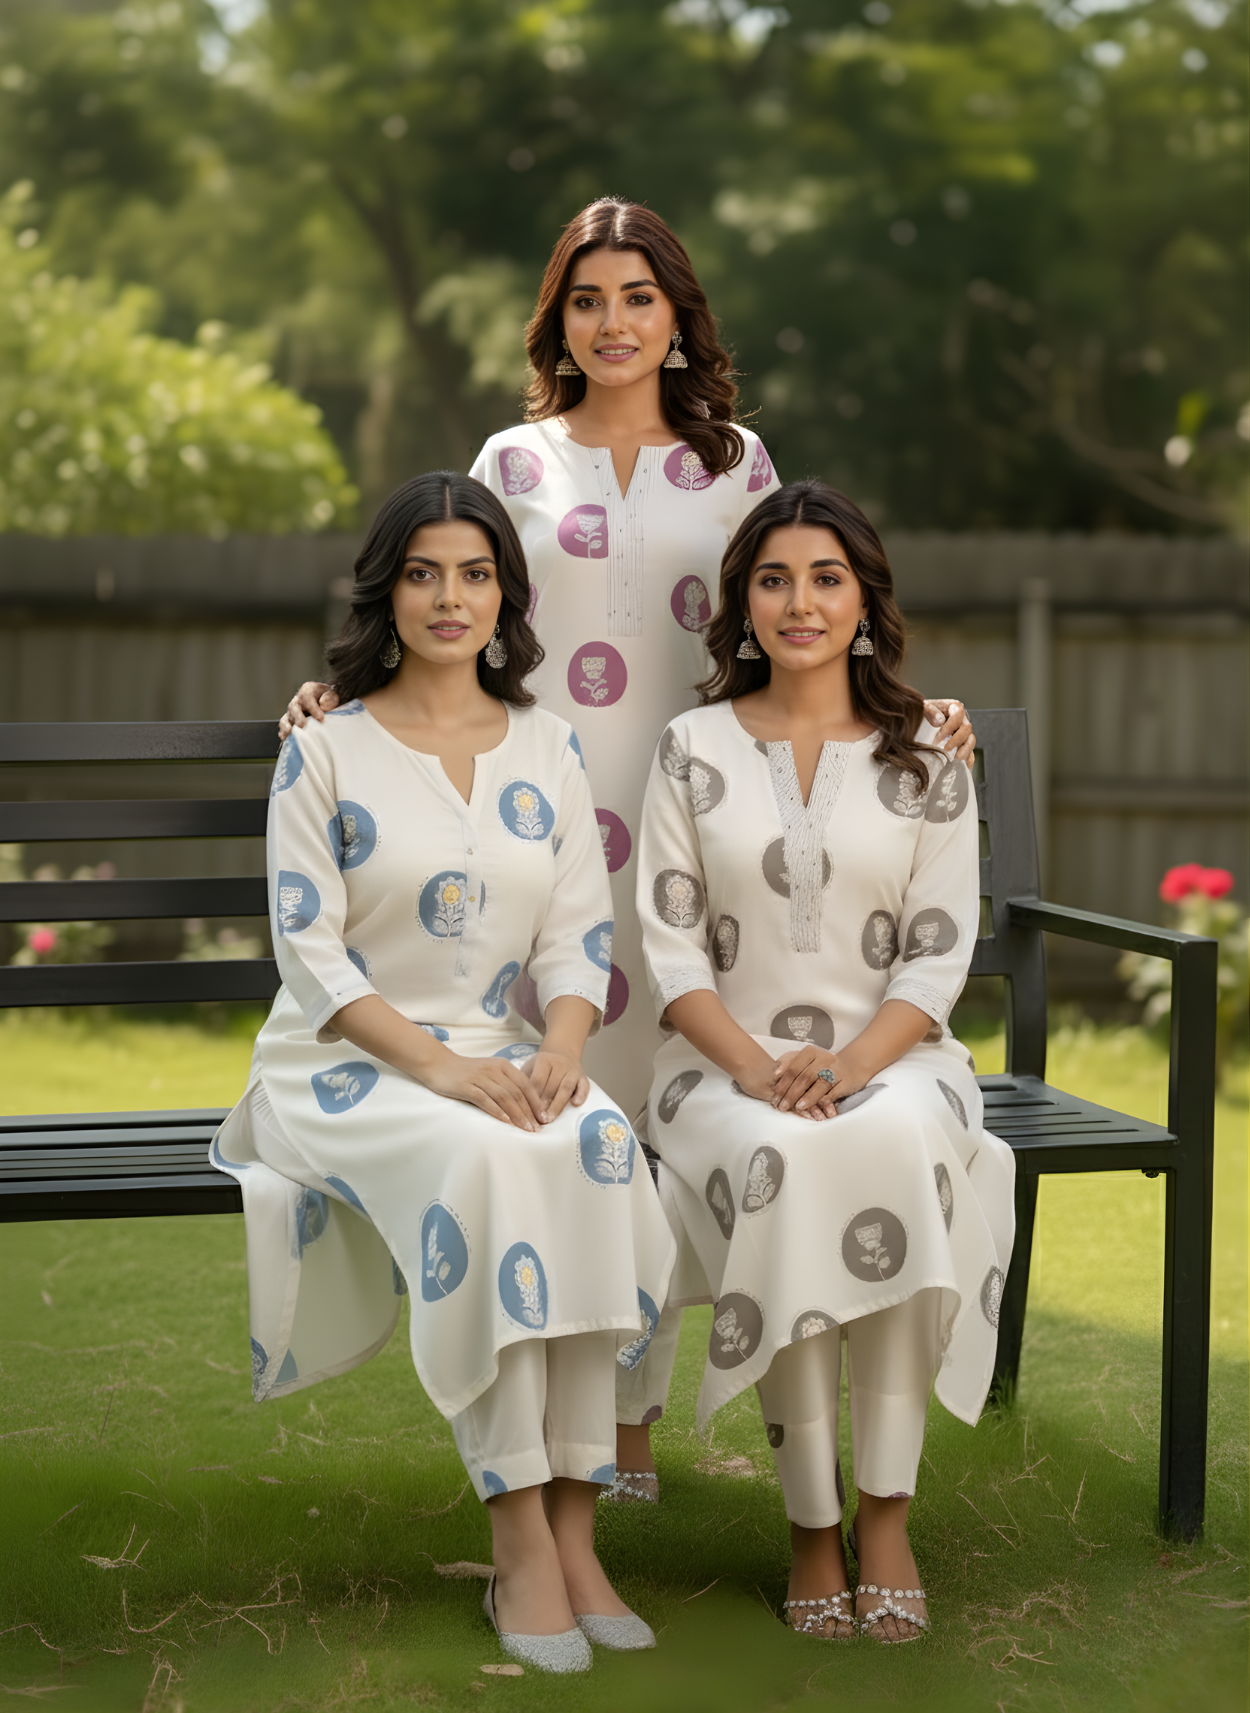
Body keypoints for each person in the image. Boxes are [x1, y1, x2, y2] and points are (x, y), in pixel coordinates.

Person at [278, 198, 977, 1497]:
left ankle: (642, 1422)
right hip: (540, 831)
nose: (612, 322)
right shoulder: (510, 456)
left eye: (637, 298)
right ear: (560, 319)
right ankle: (588, 1430)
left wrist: (912, 712)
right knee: (580, 1119)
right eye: (587, 299)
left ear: (675, 317)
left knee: (682, 1110)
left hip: (704, 834)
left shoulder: (738, 463)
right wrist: (342, 698)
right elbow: (452, 610)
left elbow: (804, 609)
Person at [212, 472, 675, 1674]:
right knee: (482, 1163)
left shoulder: (547, 746)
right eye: (422, 572)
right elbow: (307, 953)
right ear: (387, 590)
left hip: (502, 1051)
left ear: (507, 596)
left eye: (474, 573)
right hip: (343, 1064)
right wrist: (443, 1074)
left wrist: (562, 1053)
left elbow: (582, 935)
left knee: (593, 1143)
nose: (448, 596)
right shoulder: (325, 748)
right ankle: (517, 1532)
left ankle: (578, 1531)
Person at [635, 479, 1015, 1643]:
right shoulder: (688, 746)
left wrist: (849, 1066)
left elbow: (934, 957)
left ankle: (884, 1513)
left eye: (825, 577)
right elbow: (669, 947)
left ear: (865, 600)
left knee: (897, 1142)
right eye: (771, 578)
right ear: (740, 605)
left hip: (897, 1061)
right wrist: (757, 1070)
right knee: (779, 1165)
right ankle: (809, 1527)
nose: (798, 603)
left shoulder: (926, 758)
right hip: (720, 1068)